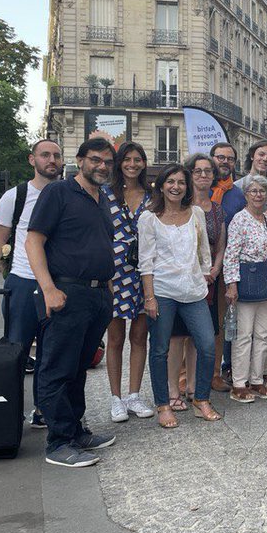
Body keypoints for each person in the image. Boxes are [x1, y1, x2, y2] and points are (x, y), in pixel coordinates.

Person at [24, 136, 117, 468]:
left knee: (79, 368)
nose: (102, 166)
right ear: (80, 160)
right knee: (57, 367)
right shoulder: (58, 192)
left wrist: (107, 288)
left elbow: (99, 243)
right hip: (66, 292)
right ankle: (58, 441)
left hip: (96, 296)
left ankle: (76, 431)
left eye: (107, 161)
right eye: (95, 159)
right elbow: (33, 241)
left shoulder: (100, 197)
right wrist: (48, 289)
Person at [138, 163, 219, 427]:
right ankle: (163, 405)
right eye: (170, 181)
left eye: (181, 182)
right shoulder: (149, 218)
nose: (176, 187)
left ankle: (201, 399)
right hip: (162, 291)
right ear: (161, 185)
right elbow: (145, 261)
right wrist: (149, 298)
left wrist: (206, 274)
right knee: (160, 349)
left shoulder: (195, 212)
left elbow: (204, 249)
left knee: (207, 345)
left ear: (187, 187)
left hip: (194, 291)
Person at [0, 138, 64, 429]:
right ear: (32, 160)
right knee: (17, 349)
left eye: (57, 155)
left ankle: (43, 411)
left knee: (51, 352)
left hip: (57, 284)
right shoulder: (16, 195)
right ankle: (10, 408)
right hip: (22, 283)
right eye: (45, 155)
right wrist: (9, 275)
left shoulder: (66, 194)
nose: (52, 160)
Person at [100, 142, 155, 423]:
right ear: (119, 163)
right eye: (127, 159)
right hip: (114, 271)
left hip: (144, 271)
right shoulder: (105, 194)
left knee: (139, 336)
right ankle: (115, 398)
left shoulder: (152, 196)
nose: (132, 164)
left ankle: (134, 394)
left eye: (138, 159)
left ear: (144, 164)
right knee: (116, 338)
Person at [170, 153, 227, 405]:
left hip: (211, 278)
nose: (203, 175)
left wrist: (214, 269)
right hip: (185, 276)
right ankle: (182, 378)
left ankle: (209, 375)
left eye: (208, 171)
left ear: (214, 176)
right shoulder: (180, 205)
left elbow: (221, 244)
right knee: (182, 332)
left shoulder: (217, 209)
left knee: (210, 329)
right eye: (198, 171)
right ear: (190, 174)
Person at [224, 175, 267, 402]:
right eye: (253, 191)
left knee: (263, 334)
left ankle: (257, 380)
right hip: (245, 280)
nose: (258, 195)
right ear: (246, 194)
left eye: (262, 191)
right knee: (243, 335)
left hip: (266, 282)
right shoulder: (239, 219)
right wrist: (231, 285)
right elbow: (231, 254)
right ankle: (239, 383)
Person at [209, 141, 244, 391]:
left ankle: (214, 374)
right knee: (189, 324)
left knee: (219, 324)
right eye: (220, 157)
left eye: (230, 159)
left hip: (225, 268)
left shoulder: (238, 195)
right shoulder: (197, 187)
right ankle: (184, 376)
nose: (224, 162)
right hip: (196, 267)